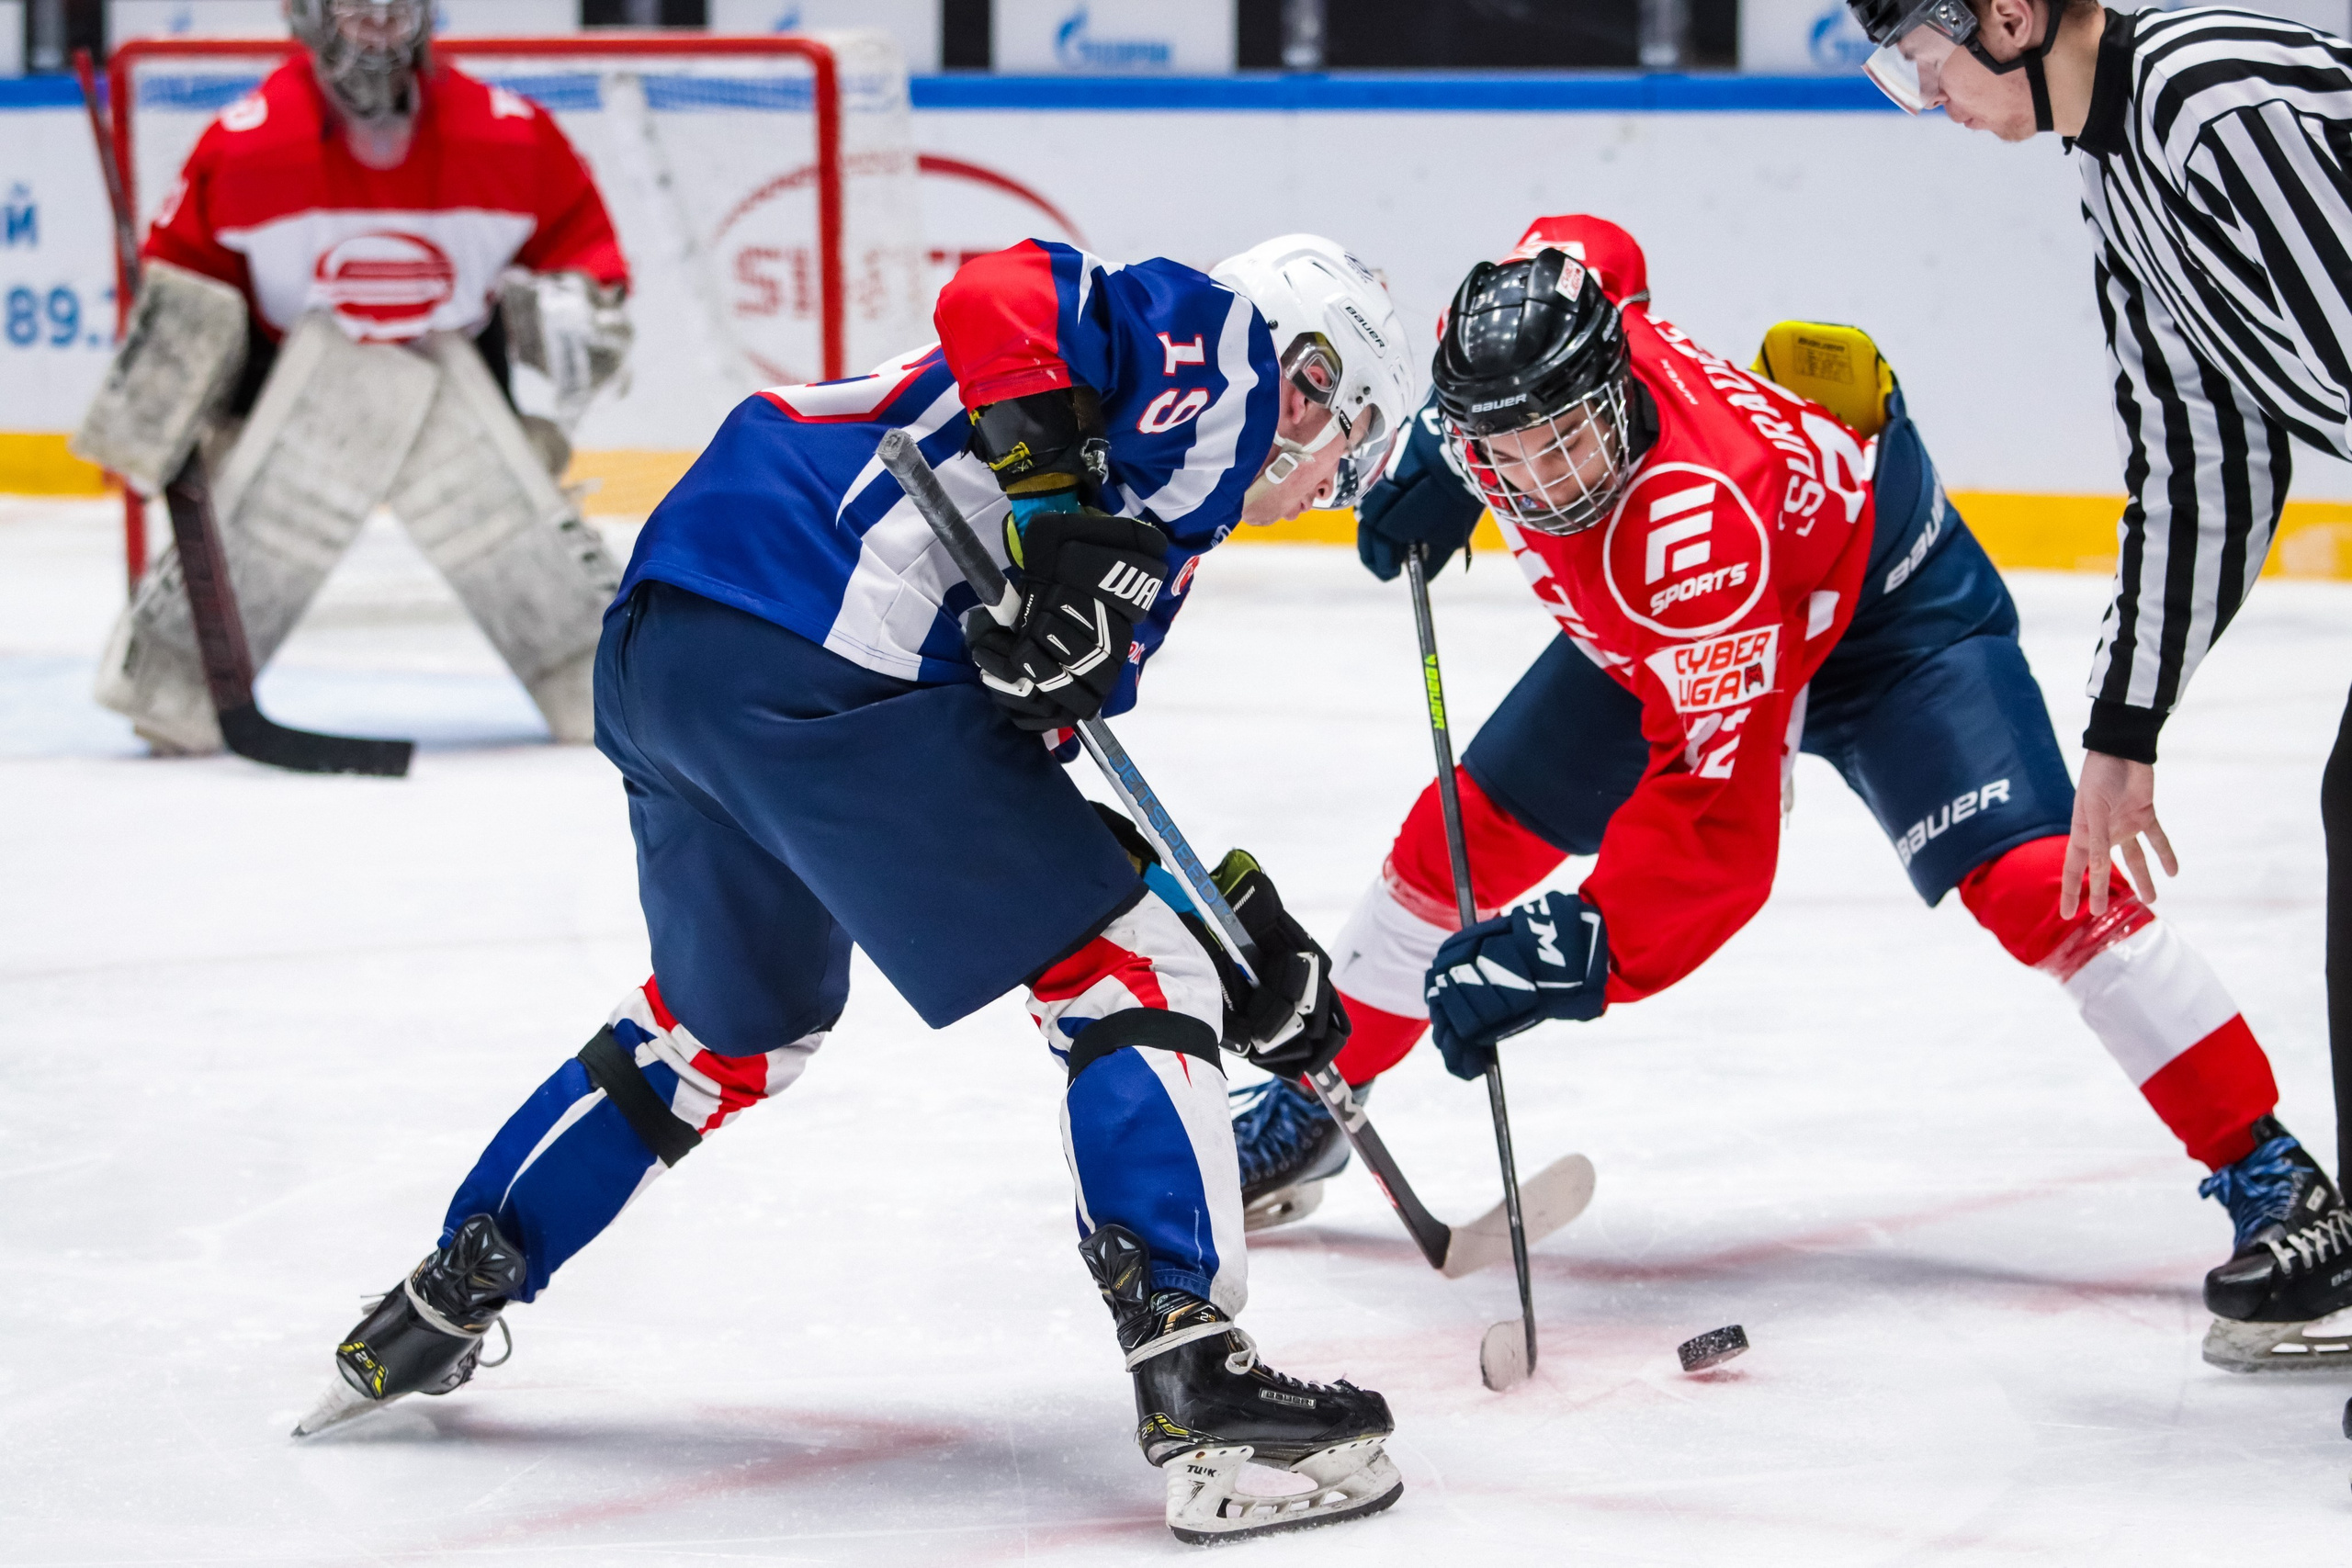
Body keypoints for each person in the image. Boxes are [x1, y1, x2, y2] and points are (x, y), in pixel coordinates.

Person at [293, 234, 1419, 1544]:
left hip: (681, 643)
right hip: (821, 635)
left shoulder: (1156, 540)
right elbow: (1000, 290)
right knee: (1129, 968)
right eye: (1357, 436)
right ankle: (1202, 1386)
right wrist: (1057, 517)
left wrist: (1236, 938)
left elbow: (1001, 791)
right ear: (1317, 379)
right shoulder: (1228, 366)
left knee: (725, 1031)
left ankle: (436, 1303)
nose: (1341, 476)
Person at [1229, 213, 2352, 1372]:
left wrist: (1583, 946)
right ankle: (1325, 1104)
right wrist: (1434, 443)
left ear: (1612, 390)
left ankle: (2274, 1176)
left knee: (2038, 887)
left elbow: (1716, 833)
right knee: (1453, 843)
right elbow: (1589, 242)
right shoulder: (1546, 360)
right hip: (1662, 640)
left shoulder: (1689, 529)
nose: (1536, 479)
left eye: (1560, 441)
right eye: (1501, 449)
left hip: (1881, 620)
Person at [1843, 0, 2352, 1334]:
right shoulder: (2114, 162)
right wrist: (2127, 726)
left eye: (1922, 54)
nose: (1927, 91)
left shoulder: (2210, 101)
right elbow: (2204, 460)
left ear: (2006, 15)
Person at [85, 0, 633, 751]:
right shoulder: (246, 146)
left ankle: (609, 676)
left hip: (461, 384)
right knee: (173, 709)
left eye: (394, 7)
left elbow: (586, 255)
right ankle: (177, 673)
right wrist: (169, 388)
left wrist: (578, 307)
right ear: (306, 13)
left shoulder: (511, 135)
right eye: (355, 7)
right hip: (294, 395)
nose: (378, 26)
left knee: (600, 699)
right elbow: (184, 294)